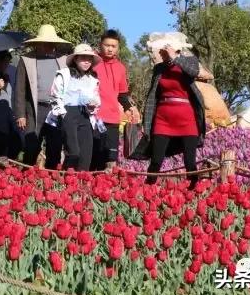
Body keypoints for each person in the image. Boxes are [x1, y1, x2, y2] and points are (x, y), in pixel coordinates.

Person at [141, 32, 211, 189]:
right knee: (156, 160)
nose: (160, 53)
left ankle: (193, 190)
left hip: (186, 118)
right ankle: (147, 189)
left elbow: (194, 72)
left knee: (190, 161)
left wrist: (175, 58)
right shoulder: (159, 68)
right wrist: (146, 123)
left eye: (163, 50)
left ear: (173, 49)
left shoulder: (190, 61)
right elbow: (152, 96)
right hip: (163, 118)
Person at [13, 25, 71, 167]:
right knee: (31, 147)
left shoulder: (63, 60)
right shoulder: (26, 60)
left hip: (55, 110)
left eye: (51, 43)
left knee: (55, 148)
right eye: (45, 43)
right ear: (38, 43)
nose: (48, 46)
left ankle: (51, 177)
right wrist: (20, 114)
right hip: (34, 110)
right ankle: (26, 176)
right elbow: (19, 88)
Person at [47, 44, 102, 171]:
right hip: (68, 113)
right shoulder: (64, 74)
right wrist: (63, 114)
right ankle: (67, 176)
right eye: (83, 58)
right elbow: (54, 95)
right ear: (75, 59)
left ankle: (81, 181)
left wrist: (92, 106)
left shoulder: (92, 79)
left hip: (85, 115)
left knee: (86, 155)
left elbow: (96, 99)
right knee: (73, 152)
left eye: (89, 59)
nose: (86, 61)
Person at [95, 29, 137, 170]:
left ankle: (107, 183)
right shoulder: (92, 63)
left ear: (118, 48)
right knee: (96, 156)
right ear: (100, 45)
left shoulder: (121, 68)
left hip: (113, 118)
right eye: (107, 45)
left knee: (111, 158)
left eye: (113, 46)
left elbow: (122, 94)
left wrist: (130, 108)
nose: (110, 49)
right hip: (94, 118)